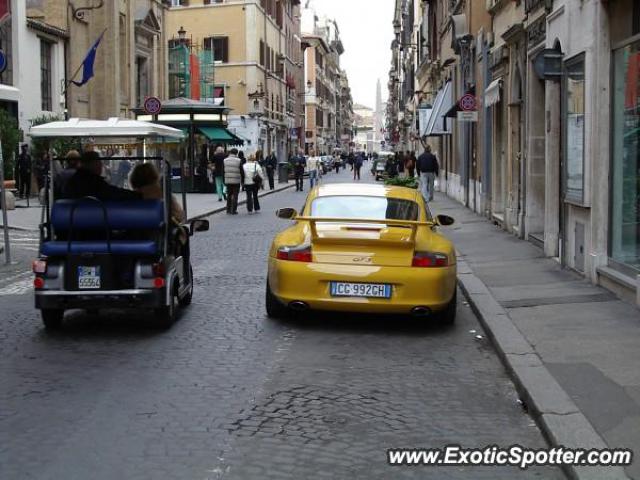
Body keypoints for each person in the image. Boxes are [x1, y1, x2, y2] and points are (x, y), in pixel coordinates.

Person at [62, 151, 141, 201]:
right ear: (94, 165)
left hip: (72, 224)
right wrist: (138, 195)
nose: (101, 165)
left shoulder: (72, 181)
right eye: (99, 163)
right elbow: (114, 193)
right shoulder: (95, 183)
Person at [223, 148, 243, 215]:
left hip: (228, 180)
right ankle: (234, 210)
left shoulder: (225, 160)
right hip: (236, 181)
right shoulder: (239, 160)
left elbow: (223, 170)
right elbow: (241, 171)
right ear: (236, 153)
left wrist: (224, 179)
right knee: (235, 195)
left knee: (229, 195)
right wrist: (242, 180)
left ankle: (228, 209)